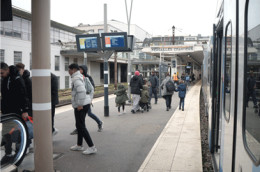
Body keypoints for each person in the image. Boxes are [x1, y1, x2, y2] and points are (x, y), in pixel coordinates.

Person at [1, 62, 31, 165]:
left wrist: (25, 110)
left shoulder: (17, 78)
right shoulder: (5, 78)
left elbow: (23, 94)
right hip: (7, 112)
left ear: (7, 70)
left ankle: (19, 153)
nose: (1, 75)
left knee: (19, 134)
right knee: (6, 132)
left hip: (17, 112)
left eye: (2, 73)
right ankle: (8, 154)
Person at [68, 63, 97, 155]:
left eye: (69, 70)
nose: (68, 72)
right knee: (79, 125)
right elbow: (91, 89)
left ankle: (92, 147)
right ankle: (79, 145)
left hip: (81, 105)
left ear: (73, 70)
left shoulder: (76, 78)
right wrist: (90, 99)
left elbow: (82, 91)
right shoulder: (82, 77)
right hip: (84, 104)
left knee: (81, 126)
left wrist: (80, 104)